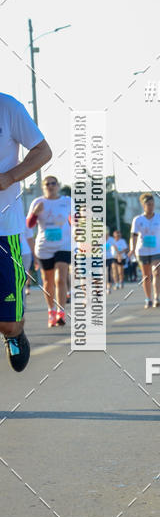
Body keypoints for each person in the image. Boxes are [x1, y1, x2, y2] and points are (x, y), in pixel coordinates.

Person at [0, 93, 52, 370]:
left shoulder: (7, 107)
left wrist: (10, 177)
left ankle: (15, 333)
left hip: (4, 230)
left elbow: (43, 151)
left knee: (7, 323)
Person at [27, 176, 71, 327]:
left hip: (63, 245)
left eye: (53, 183)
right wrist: (35, 214)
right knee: (48, 282)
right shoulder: (38, 202)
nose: (50, 186)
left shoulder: (67, 201)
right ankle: (51, 310)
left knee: (60, 279)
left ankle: (61, 312)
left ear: (58, 185)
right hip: (44, 246)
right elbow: (29, 225)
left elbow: (76, 220)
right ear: (43, 187)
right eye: (47, 184)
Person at [130, 193, 160, 308]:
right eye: (148, 204)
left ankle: (156, 297)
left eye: (152, 204)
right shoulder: (138, 220)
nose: (151, 207)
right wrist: (132, 248)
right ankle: (148, 298)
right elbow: (134, 235)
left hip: (157, 250)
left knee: (157, 272)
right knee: (146, 276)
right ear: (143, 205)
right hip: (142, 251)